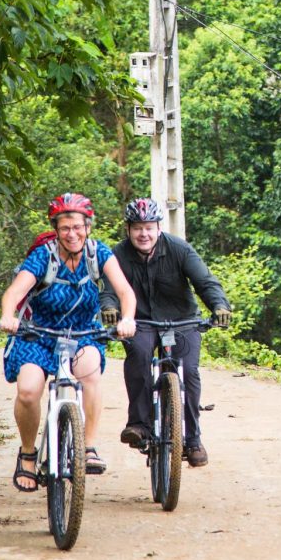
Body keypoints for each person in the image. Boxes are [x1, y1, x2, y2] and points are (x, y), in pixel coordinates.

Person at [0, 193, 137, 491]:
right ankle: (27, 454)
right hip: (39, 333)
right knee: (28, 390)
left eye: (77, 227)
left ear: (87, 226)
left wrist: (127, 319)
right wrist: (8, 316)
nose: (72, 234)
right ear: (56, 230)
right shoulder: (43, 256)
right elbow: (13, 292)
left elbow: (125, 292)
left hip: (82, 331)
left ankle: (88, 447)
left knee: (90, 373)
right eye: (65, 228)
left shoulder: (98, 253)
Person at [100, 197, 231, 467]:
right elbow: (109, 290)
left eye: (149, 227)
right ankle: (139, 426)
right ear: (128, 230)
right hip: (141, 322)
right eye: (137, 228)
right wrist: (111, 308)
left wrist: (219, 305)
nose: (143, 233)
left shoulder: (179, 250)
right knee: (138, 355)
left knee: (189, 372)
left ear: (159, 227)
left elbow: (205, 282)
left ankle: (193, 440)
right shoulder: (118, 255)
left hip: (183, 321)